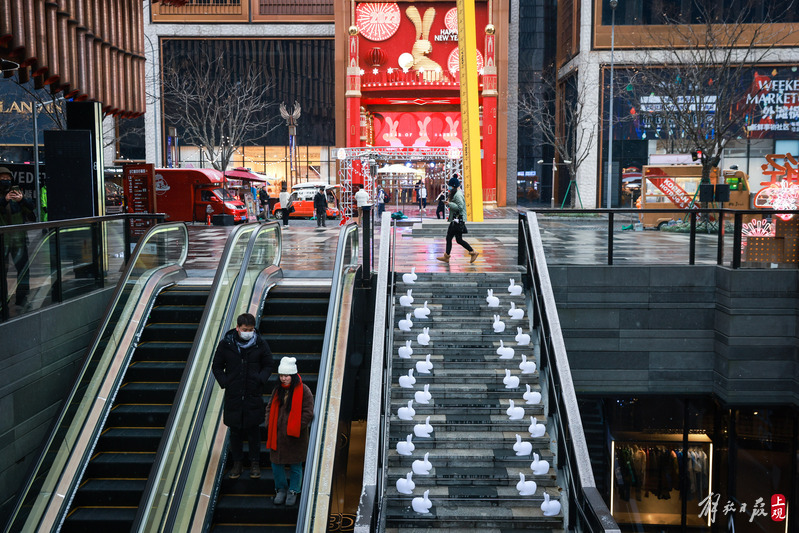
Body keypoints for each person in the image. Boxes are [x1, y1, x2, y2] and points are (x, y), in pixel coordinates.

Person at [212, 313, 273, 479]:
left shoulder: (260, 344)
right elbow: (217, 366)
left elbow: (268, 364)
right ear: (238, 328)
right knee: (235, 433)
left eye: (251, 330)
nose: (248, 333)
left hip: (253, 395)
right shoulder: (226, 345)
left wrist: (260, 380)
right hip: (234, 396)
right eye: (245, 330)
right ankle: (237, 464)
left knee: (254, 432)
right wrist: (226, 382)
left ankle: (255, 463)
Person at [266, 356, 314, 507]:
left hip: (295, 437)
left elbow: (308, 412)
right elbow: (269, 408)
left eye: (286, 376)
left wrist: (296, 427)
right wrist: (269, 423)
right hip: (277, 436)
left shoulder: (304, 390)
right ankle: (280, 489)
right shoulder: (277, 390)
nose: (284, 378)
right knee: (276, 464)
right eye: (281, 375)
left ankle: (293, 490)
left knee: (295, 465)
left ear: (293, 376)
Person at [0, 167, 35, 306]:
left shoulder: (17, 193)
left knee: (23, 270)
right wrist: (4, 200)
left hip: (19, 240)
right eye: (2, 179)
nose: (6, 181)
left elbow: (31, 209)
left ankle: (22, 298)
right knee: (2, 272)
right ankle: (2, 300)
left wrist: (21, 200)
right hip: (3, 241)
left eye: (8, 179)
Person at [437, 175, 479, 264]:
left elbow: (460, 207)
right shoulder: (455, 193)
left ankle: (471, 252)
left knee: (450, 237)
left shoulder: (458, 195)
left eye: (450, 186)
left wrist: (449, 204)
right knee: (457, 239)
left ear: (454, 186)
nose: (449, 188)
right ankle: (472, 252)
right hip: (456, 219)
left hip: (457, 220)